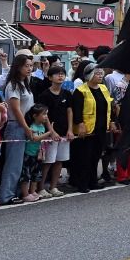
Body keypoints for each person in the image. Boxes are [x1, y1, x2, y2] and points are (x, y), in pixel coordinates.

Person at [0, 54, 35, 206]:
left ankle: (16, 190)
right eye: (26, 66)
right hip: (16, 125)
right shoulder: (13, 85)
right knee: (13, 162)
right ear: (18, 67)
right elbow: (16, 109)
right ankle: (6, 194)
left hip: (25, 124)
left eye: (31, 66)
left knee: (21, 162)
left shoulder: (24, 83)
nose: (29, 69)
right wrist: (26, 127)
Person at [70, 65, 115, 192]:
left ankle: (93, 181)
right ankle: (82, 183)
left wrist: (111, 121)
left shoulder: (104, 88)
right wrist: (80, 124)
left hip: (101, 127)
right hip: (87, 129)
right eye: (97, 73)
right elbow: (77, 109)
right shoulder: (81, 90)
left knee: (96, 156)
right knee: (84, 157)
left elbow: (109, 106)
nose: (100, 76)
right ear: (89, 75)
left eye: (101, 73)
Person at [36, 66, 73, 197]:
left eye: (62, 74)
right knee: (48, 161)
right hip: (50, 134)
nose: (60, 76)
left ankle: (53, 186)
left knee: (59, 160)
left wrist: (70, 129)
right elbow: (44, 115)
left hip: (64, 132)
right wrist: (51, 131)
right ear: (50, 77)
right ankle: (41, 188)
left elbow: (69, 111)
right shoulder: (44, 95)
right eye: (57, 74)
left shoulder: (67, 93)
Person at [20, 104, 53, 202]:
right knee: (26, 174)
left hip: (38, 154)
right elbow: (35, 138)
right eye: (43, 114)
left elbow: (41, 138)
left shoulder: (42, 127)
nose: (46, 116)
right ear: (35, 116)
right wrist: (49, 132)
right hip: (28, 154)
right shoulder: (32, 126)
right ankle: (25, 194)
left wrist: (47, 138)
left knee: (36, 173)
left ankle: (33, 191)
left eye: (46, 114)